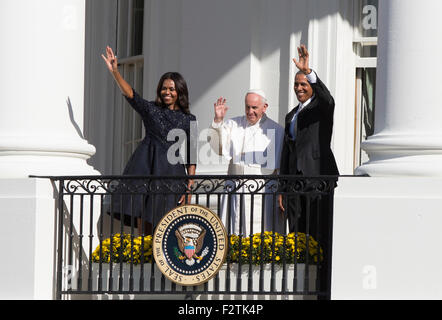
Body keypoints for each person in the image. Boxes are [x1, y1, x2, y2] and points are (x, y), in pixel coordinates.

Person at [101, 46, 196, 235]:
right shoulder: (151, 109)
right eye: (163, 88)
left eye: (171, 89)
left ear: (180, 91)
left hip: (172, 171)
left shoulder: (189, 119)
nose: (166, 92)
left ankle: (164, 258)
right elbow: (131, 94)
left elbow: (192, 154)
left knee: (169, 220)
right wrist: (115, 72)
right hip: (146, 165)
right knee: (144, 214)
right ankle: (145, 255)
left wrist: (190, 185)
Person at [279, 44, 339, 235]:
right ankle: (300, 265)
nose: (299, 88)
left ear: (311, 86)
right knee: (297, 231)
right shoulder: (291, 115)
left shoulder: (322, 108)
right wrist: (282, 186)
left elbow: (328, 99)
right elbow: (286, 151)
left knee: (317, 228)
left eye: (303, 84)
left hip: (317, 176)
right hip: (293, 181)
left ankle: (318, 265)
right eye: (296, 84)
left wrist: (309, 72)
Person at [208, 90, 284, 235]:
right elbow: (217, 147)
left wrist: (281, 193)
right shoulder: (233, 124)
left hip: (263, 192)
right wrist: (218, 121)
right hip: (235, 190)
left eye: (254, 108)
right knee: (234, 233)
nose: (250, 111)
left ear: (265, 107)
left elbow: (280, 166)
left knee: (261, 234)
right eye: (247, 107)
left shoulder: (277, 130)